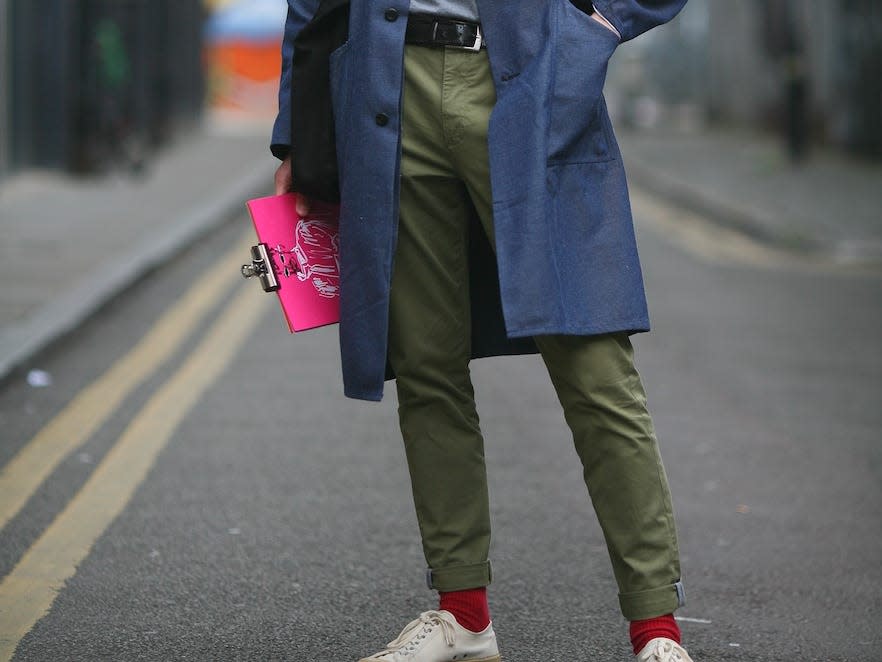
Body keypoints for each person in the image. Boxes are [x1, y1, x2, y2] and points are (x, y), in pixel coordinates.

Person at [271, 1, 693, 660]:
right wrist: (300, 131)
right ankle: (463, 616)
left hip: (529, 85)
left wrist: (600, 24)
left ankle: (655, 628)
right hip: (387, 90)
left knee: (594, 366)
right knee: (426, 367)